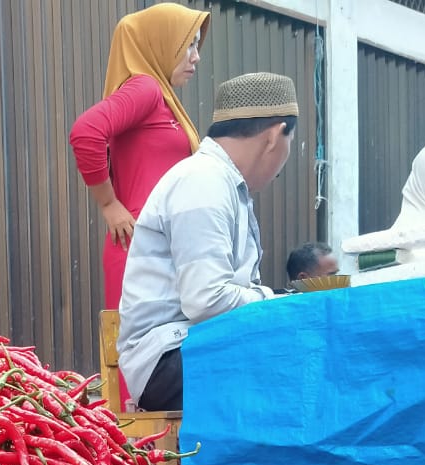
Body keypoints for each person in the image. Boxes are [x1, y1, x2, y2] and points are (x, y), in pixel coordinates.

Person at [118, 72, 298, 412]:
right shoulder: (204, 182)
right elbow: (207, 300)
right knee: (299, 371)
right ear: (276, 135)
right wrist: (274, 300)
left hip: (193, 348)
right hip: (170, 360)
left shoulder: (223, 183)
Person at [69, 2, 210, 411]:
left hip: (160, 248)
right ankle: (139, 461)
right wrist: (110, 203)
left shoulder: (165, 101)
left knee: (161, 356)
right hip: (136, 247)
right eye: (189, 45)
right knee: (141, 364)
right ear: (160, 44)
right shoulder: (145, 88)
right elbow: (86, 132)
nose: (196, 57)